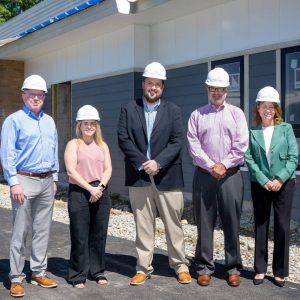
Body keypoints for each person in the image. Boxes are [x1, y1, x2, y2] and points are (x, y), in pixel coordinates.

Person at [117, 62, 191, 285]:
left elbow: (177, 141)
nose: (153, 88)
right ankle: (142, 267)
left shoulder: (174, 111)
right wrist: (143, 162)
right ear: (143, 84)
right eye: (150, 83)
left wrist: (158, 162)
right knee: (143, 225)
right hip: (139, 176)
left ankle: (180, 265)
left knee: (173, 224)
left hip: (168, 175)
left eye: (157, 84)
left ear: (162, 87)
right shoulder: (129, 109)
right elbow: (123, 138)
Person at [187, 67, 249, 287]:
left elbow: (241, 145)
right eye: (213, 88)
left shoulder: (237, 114)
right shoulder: (196, 115)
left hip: (231, 176)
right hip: (204, 176)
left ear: (226, 90)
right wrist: (212, 165)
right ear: (207, 88)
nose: (216, 92)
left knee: (232, 222)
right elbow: (194, 146)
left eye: (220, 88)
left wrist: (224, 165)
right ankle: (204, 267)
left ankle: (233, 267)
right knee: (204, 222)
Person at [0, 75, 59, 298]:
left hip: (46, 181)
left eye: (40, 94)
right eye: (31, 94)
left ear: (44, 96)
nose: (36, 98)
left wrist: (54, 178)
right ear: (23, 95)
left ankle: (38, 272)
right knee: (21, 230)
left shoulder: (49, 121)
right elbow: (7, 154)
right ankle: (16, 278)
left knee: (42, 230)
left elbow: (54, 151)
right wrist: (13, 182)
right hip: (24, 180)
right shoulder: (13, 121)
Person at [244, 86, 298, 287]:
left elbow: (294, 157)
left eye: (271, 106)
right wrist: (263, 179)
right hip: (260, 184)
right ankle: (259, 269)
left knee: (282, 226)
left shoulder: (286, 129)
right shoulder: (252, 132)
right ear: (257, 108)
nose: (268, 110)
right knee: (261, 224)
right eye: (264, 106)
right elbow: (248, 158)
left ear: (276, 109)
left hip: (284, 184)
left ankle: (280, 271)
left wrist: (279, 179)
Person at [64, 105, 112, 288]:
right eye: (86, 123)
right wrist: (90, 189)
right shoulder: (73, 144)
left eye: (92, 123)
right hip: (79, 192)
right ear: (79, 125)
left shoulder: (103, 145)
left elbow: (108, 169)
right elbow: (71, 170)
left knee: (99, 235)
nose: (89, 126)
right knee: (80, 235)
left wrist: (99, 188)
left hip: (100, 190)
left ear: (97, 125)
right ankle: (78, 275)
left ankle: (97, 271)